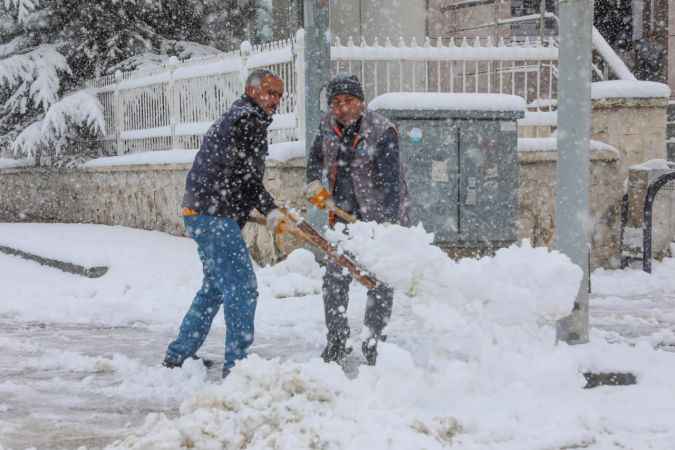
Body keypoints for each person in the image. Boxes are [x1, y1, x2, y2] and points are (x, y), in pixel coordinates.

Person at [163, 69, 287, 378]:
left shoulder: (238, 116)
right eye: (270, 93)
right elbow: (244, 174)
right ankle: (238, 367)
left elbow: (236, 172)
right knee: (243, 287)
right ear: (251, 90)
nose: (275, 101)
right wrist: (269, 208)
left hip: (200, 212)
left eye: (279, 96)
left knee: (215, 286)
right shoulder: (248, 119)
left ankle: (179, 355)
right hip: (214, 215)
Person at [305, 74, 408, 366]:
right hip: (342, 217)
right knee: (335, 279)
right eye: (336, 102)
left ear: (361, 103)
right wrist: (313, 182)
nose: (342, 108)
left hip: (378, 216)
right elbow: (314, 159)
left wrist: (387, 225)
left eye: (349, 101)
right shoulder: (327, 126)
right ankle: (336, 340)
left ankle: (375, 345)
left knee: (378, 282)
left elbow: (392, 182)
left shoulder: (382, 130)